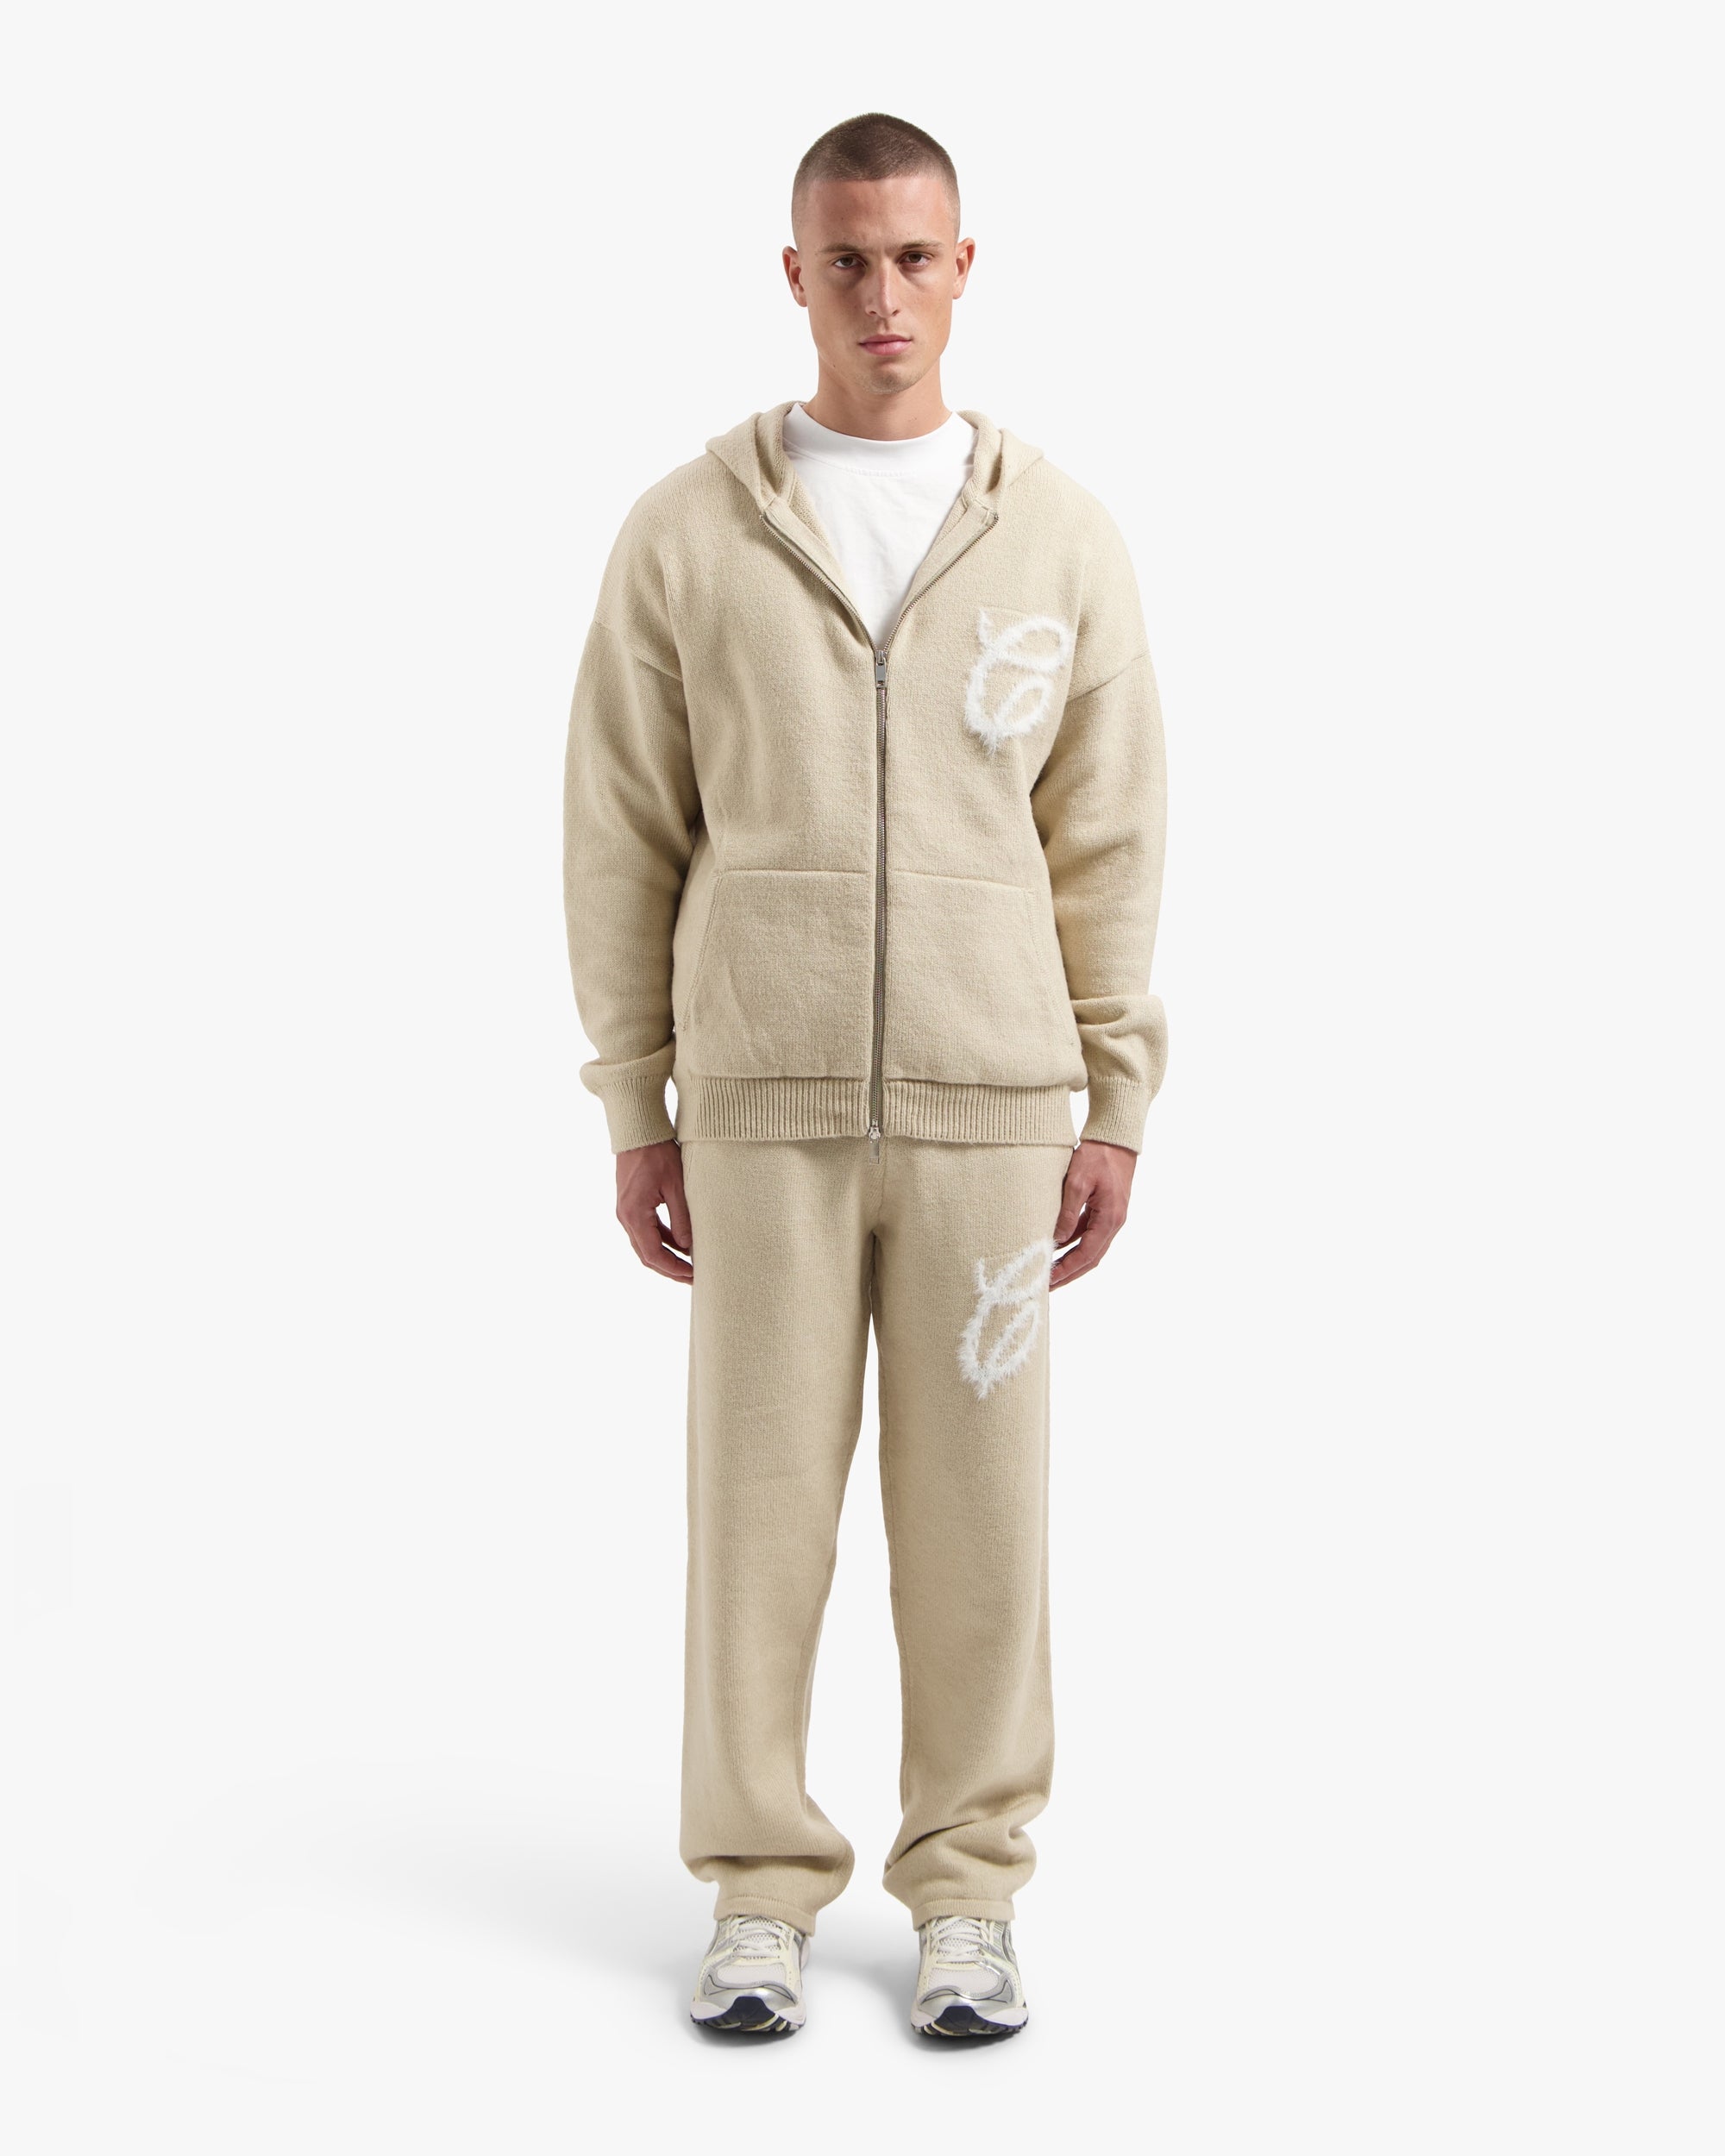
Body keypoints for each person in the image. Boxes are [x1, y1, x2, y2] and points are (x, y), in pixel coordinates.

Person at [562, 111, 1167, 2040]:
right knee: (756, 1518)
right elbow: (622, 832)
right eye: (847, 260)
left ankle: (967, 1893)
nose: (881, 294)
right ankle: (757, 1892)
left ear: (964, 268)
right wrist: (639, 1099)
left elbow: (1107, 832)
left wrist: (1113, 1093)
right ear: (796, 274)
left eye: (914, 256)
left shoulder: (1058, 535)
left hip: (994, 1111)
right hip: (763, 1108)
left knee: (983, 1521)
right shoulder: (689, 530)